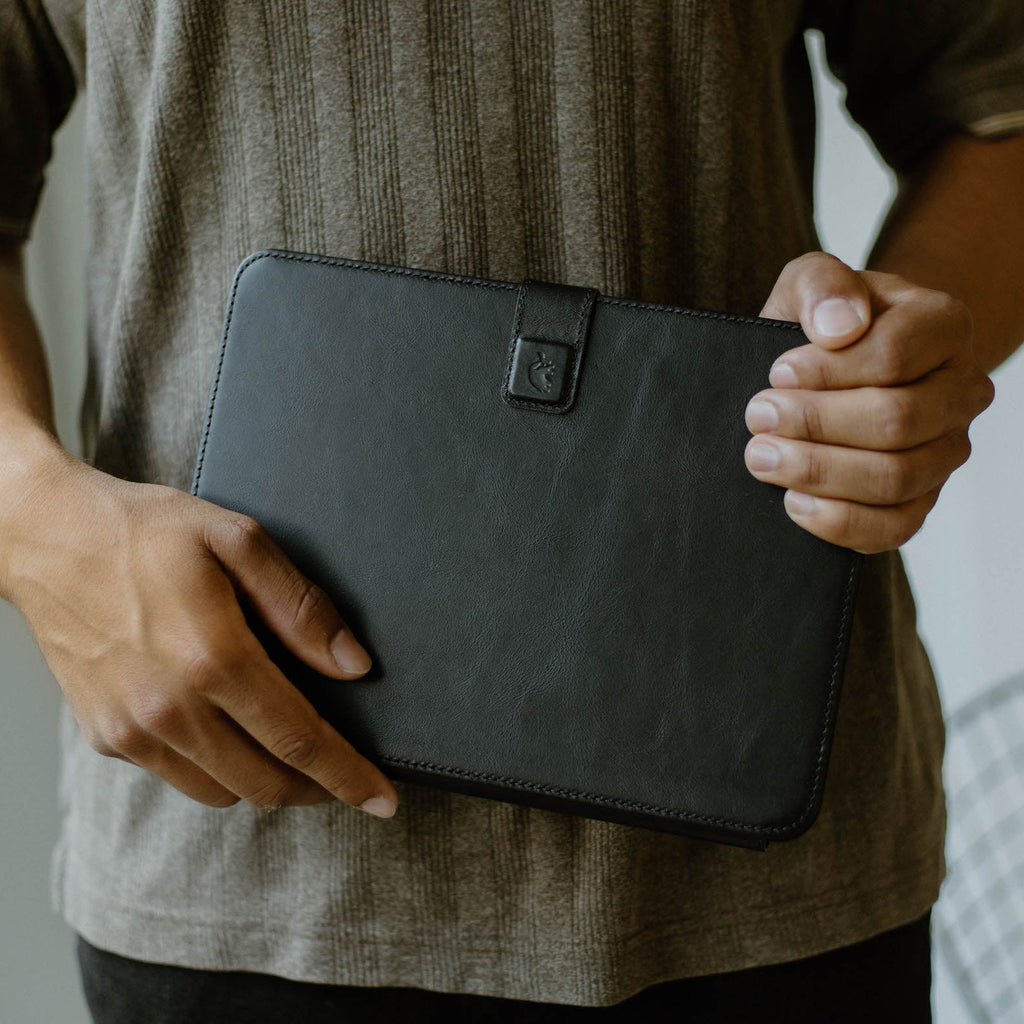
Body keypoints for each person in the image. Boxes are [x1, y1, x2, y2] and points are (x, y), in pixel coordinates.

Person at [1, 1, 1022, 1021]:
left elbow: (995, 101)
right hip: (232, 862)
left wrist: (896, 365)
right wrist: (30, 516)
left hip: (760, 863)